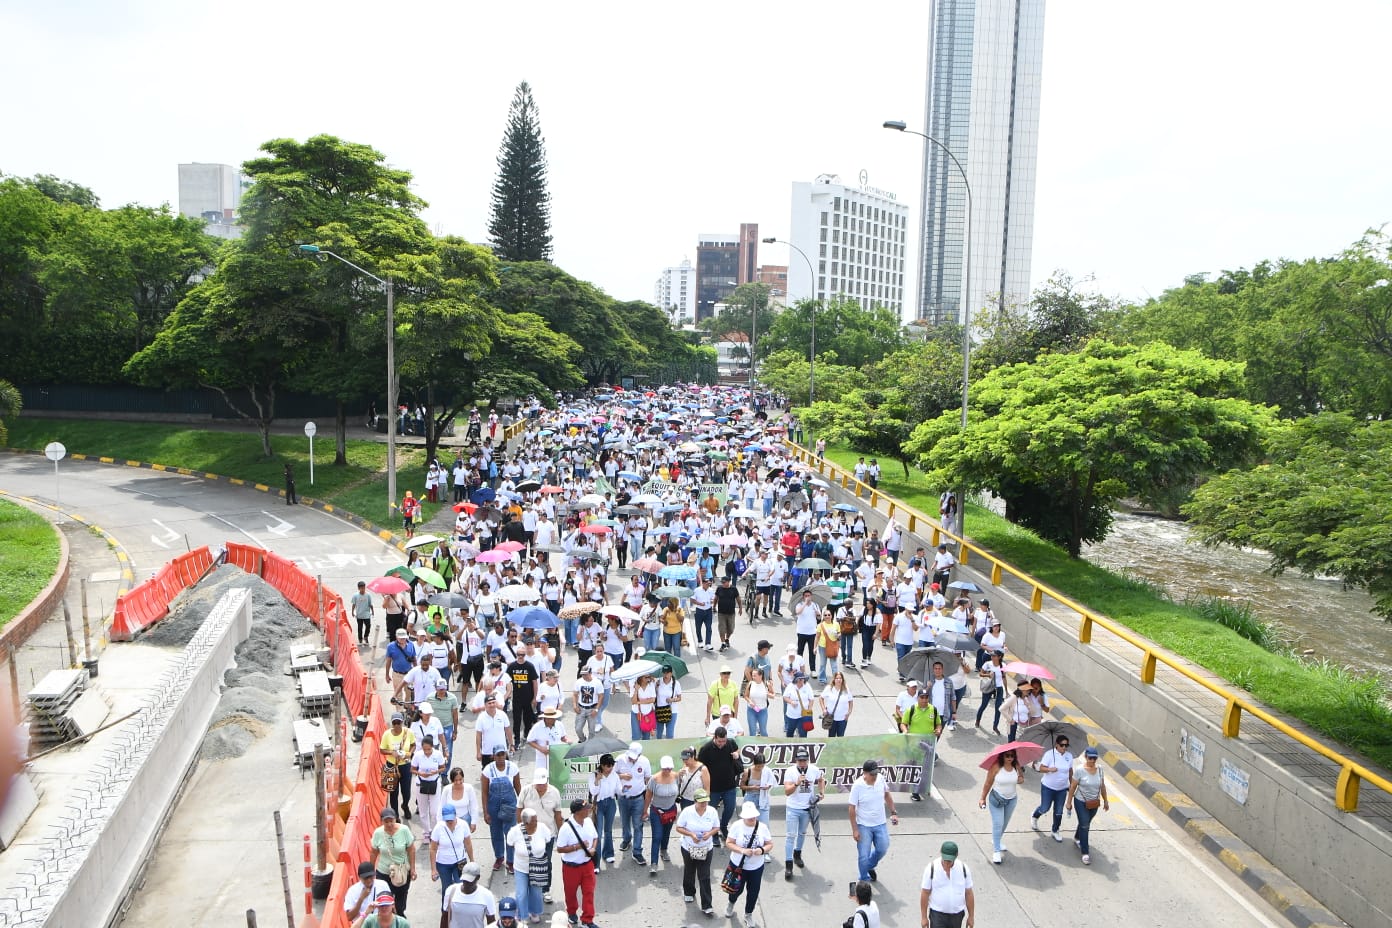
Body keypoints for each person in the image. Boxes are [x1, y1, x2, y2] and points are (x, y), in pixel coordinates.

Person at [722, 801, 774, 928]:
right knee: (735, 890)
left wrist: (761, 850)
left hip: (756, 867)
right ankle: (731, 903)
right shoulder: (736, 826)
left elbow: (769, 844)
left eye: (754, 816)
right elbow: (729, 843)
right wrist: (742, 850)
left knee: (753, 892)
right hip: (738, 865)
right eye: (749, 817)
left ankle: (748, 914)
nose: (752, 819)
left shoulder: (762, 827)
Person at [848, 759, 898, 883]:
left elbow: (887, 795)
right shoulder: (858, 786)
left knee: (883, 848)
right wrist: (855, 830)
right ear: (864, 773)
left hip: (880, 823)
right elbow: (851, 808)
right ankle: (864, 879)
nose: (875, 776)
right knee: (863, 855)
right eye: (872, 774)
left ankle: (869, 865)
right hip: (864, 825)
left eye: (876, 773)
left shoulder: (880, 779)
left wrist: (893, 812)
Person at [676, 788, 722, 916]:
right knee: (689, 870)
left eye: (706, 801)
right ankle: (689, 892)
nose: (704, 804)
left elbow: (716, 827)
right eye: (701, 802)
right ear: (695, 801)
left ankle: (707, 905)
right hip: (688, 847)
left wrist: (709, 834)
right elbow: (679, 828)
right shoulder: (687, 812)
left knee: (705, 875)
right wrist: (691, 834)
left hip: (706, 848)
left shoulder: (712, 811)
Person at [782, 745, 824, 880]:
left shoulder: (814, 770)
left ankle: (797, 854)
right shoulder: (790, 772)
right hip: (793, 808)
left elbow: (821, 779)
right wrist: (796, 783)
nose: (802, 763)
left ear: (808, 760)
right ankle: (788, 865)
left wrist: (821, 792)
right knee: (790, 836)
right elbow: (787, 792)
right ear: (796, 761)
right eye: (800, 761)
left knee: (802, 833)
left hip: (807, 808)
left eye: (804, 760)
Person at [557, 799, 600, 928]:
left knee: (589, 892)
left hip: (587, 865)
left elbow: (595, 837)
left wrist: (593, 848)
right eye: (586, 808)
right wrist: (578, 847)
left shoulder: (588, 822)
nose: (588, 810)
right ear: (578, 812)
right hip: (571, 867)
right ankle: (571, 912)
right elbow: (560, 848)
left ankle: (587, 920)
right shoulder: (566, 828)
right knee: (570, 892)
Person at [978, 747, 1025, 864]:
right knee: (998, 823)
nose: (1010, 758)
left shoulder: (1016, 765)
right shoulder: (996, 767)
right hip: (997, 800)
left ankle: (996, 840)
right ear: (1002, 756)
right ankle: (996, 851)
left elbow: (1021, 777)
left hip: (1012, 799)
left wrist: (1020, 779)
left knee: (1004, 824)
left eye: (1012, 756)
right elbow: (988, 783)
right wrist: (982, 798)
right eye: (1007, 755)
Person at [505, 809, 552, 924]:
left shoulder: (542, 828)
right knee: (521, 893)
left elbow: (548, 840)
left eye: (536, 819)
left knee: (536, 892)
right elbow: (510, 843)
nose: (537, 822)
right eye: (534, 821)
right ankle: (521, 915)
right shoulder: (515, 831)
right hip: (521, 867)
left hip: (538, 867)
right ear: (526, 823)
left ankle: (535, 912)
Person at [1065, 746, 1109, 865]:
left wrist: (1105, 800)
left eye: (1095, 758)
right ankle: (1085, 853)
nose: (1092, 761)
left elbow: (1102, 786)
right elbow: (1073, 787)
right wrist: (1069, 802)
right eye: (1090, 758)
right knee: (1085, 825)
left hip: (1094, 803)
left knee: (1085, 823)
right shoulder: (1079, 770)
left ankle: (1077, 837)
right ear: (1085, 757)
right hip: (1080, 801)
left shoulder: (1100, 769)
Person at [697, 727, 743, 839]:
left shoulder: (730, 743)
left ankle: (723, 826)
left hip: (729, 785)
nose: (722, 743)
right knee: (711, 810)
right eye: (719, 741)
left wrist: (736, 754)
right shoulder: (706, 749)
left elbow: (737, 749)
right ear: (714, 738)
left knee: (730, 808)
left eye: (724, 741)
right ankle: (714, 832)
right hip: (713, 788)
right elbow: (700, 766)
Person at [370, 806, 416, 915]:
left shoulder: (404, 830)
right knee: (385, 902)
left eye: (391, 821)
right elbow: (373, 853)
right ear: (381, 822)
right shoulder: (378, 833)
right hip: (384, 872)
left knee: (400, 902)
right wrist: (371, 872)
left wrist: (413, 869)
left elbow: (411, 850)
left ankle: (400, 919)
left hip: (402, 871)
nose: (389, 824)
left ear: (395, 819)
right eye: (386, 822)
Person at [481, 748, 521, 873]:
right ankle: (499, 857)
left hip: (510, 805)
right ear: (493, 756)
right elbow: (484, 792)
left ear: (506, 755)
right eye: (497, 755)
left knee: (510, 833)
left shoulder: (513, 768)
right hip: (494, 806)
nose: (500, 757)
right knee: (496, 833)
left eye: (502, 754)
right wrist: (486, 812)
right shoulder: (488, 770)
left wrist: (521, 807)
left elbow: (518, 788)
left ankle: (511, 861)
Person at [900, 688, 944, 803]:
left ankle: (924, 787)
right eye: (922, 697)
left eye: (926, 697)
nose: (924, 700)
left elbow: (938, 724)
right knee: (916, 768)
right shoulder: (912, 709)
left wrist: (938, 730)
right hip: (915, 745)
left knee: (926, 768)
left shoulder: (933, 710)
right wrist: (905, 731)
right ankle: (915, 791)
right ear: (918, 698)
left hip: (928, 744)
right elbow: (903, 723)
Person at [919, 840, 975, 928]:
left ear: (956, 856)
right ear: (940, 853)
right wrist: (924, 917)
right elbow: (925, 893)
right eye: (945, 860)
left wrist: (971, 917)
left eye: (949, 861)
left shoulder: (964, 869)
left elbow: (968, 893)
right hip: (938, 915)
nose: (946, 863)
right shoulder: (931, 868)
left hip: (957, 915)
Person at [1030, 733, 1075, 842]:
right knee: (1045, 808)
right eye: (1062, 745)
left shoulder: (1069, 756)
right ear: (1056, 745)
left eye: (1066, 745)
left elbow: (1070, 771)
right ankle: (1035, 816)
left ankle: (1055, 830)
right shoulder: (1049, 754)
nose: (1064, 747)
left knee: (1059, 811)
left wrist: (1071, 784)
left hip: (1062, 789)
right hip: (1048, 787)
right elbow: (1041, 768)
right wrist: (1050, 769)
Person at [615, 742, 652, 864]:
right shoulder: (620, 759)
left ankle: (637, 851)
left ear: (640, 755)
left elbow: (647, 777)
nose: (631, 759)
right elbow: (611, 774)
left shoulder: (645, 761)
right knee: (625, 822)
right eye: (630, 756)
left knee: (638, 825)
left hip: (638, 799)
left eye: (634, 757)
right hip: (623, 798)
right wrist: (621, 776)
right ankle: (626, 839)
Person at [646, 754, 681, 874]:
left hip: (671, 810)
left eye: (669, 768)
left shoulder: (676, 776)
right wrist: (645, 811)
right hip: (657, 811)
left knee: (666, 833)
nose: (667, 771)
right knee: (657, 836)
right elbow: (648, 796)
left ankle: (664, 850)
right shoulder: (654, 779)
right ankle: (654, 863)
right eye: (665, 768)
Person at [431, 803, 474, 896]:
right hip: (443, 863)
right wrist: (434, 869)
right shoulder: (438, 828)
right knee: (447, 889)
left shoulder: (463, 825)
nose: (449, 821)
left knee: (462, 887)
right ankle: (445, 909)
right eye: (447, 820)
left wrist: (472, 860)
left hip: (460, 861)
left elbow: (468, 844)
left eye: (451, 819)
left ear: (455, 815)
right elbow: (433, 849)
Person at [440, 861, 498, 928]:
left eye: (470, 881)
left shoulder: (486, 895)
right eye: (464, 880)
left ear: (478, 878)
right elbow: (445, 917)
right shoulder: (451, 891)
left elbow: (491, 922)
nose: (466, 883)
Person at [381, 712, 416, 820]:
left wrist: (409, 753)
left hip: (405, 765)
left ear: (402, 722)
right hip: (392, 765)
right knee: (393, 792)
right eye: (394, 723)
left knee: (406, 791)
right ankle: (395, 814)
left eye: (399, 722)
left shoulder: (408, 732)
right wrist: (391, 752)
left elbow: (413, 745)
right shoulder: (387, 734)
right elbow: (382, 749)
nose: (396, 725)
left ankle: (405, 805)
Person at [587, 753, 620, 867]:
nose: (610, 768)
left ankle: (608, 853)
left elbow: (618, 789)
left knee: (608, 830)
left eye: (611, 766)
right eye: (607, 766)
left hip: (610, 803)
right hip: (599, 804)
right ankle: (596, 862)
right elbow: (593, 792)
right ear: (602, 765)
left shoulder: (614, 775)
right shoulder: (594, 775)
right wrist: (597, 780)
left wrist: (623, 789)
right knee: (598, 832)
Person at [413, 734, 448, 835]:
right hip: (421, 783)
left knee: (434, 812)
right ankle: (426, 832)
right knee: (423, 812)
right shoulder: (418, 755)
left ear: (432, 747)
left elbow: (443, 767)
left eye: (429, 749)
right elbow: (413, 769)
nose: (427, 752)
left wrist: (435, 772)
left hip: (434, 783)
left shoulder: (438, 754)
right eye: (425, 749)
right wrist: (420, 773)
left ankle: (434, 831)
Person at [739, 751, 776, 827]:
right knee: (748, 823)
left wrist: (767, 787)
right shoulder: (747, 771)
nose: (760, 768)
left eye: (762, 766)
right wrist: (752, 787)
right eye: (758, 766)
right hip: (750, 797)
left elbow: (771, 782)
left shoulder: (767, 771)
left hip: (763, 797)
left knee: (764, 824)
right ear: (754, 763)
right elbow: (741, 786)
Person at [975, 651, 1006, 733]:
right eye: (991, 655)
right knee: (984, 705)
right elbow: (980, 674)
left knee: (998, 708)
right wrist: (988, 675)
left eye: (994, 656)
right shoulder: (987, 664)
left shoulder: (1003, 666)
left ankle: (995, 726)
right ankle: (978, 720)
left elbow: (1004, 678)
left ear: (999, 657)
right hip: (989, 687)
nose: (992, 657)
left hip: (999, 688)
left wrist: (1006, 690)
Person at [819, 671, 854, 737]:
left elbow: (851, 701)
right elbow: (821, 698)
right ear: (834, 679)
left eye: (840, 678)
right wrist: (824, 709)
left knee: (841, 736)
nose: (838, 680)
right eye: (837, 678)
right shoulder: (829, 688)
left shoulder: (846, 689)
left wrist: (849, 712)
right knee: (831, 736)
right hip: (832, 719)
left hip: (842, 719)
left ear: (842, 680)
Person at [782, 671, 816, 738]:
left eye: (802, 679)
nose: (801, 681)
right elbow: (785, 697)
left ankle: (803, 746)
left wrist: (809, 710)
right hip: (792, 715)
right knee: (790, 732)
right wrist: (791, 702)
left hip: (803, 715)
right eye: (800, 679)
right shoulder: (790, 686)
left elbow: (811, 699)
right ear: (796, 679)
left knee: (803, 733)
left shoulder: (807, 686)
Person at [712, 575, 741, 651]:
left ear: (729, 582)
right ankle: (723, 643)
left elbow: (738, 598)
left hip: (731, 613)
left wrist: (740, 608)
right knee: (722, 629)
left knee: (730, 629)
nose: (723, 583)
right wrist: (714, 606)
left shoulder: (733, 589)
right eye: (722, 582)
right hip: (721, 612)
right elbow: (716, 598)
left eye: (724, 582)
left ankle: (727, 639)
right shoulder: (719, 588)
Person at [654, 664, 682, 740]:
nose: (665, 675)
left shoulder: (676, 683)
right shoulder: (658, 681)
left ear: (671, 673)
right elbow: (653, 696)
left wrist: (672, 699)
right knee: (659, 734)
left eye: (667, 673)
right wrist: (656, 687)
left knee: (669, 734)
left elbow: (679, 698)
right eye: (664, 672)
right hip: (660, 710)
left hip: (672, 711)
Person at [743, 667, 770, 737]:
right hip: (752, 710)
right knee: (752, 731)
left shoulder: (766, 684)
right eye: (752, 675)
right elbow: (745, 696)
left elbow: (773, 694)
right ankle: (753, 746)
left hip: (762, 711)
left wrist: (769, 695)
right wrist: (750, 701)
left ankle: (766, 745)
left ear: (760, 676)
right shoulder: (750, 684)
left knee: (763, 731)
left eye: (755, 675)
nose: (753, 677)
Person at [351, 581, 375, 646]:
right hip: (359, 615)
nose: (363, 589)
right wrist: (352, 612)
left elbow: (370, 604)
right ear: (358, 588)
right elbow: (353, 604)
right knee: (360, 628)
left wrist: (372, 611)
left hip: (367, 614)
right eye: (361, 588)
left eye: (364, 588)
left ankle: (366, 637)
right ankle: (360, 639)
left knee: (368, 626)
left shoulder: (368, 595)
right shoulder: (355, 596)